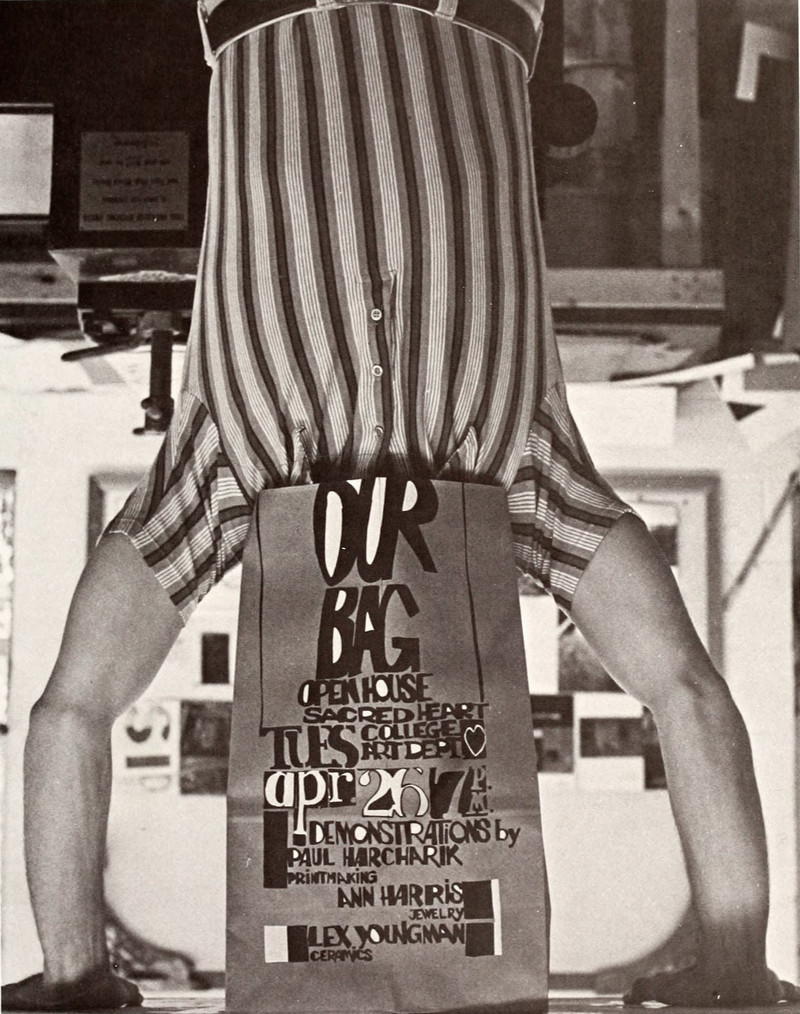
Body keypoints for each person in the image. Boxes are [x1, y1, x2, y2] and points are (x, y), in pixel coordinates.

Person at [3, 0, 798, 1008]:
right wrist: (731, 965)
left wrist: (76, 973)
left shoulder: (235, 477)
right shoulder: (518, 481)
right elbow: (687, 694)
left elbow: (69, 714)